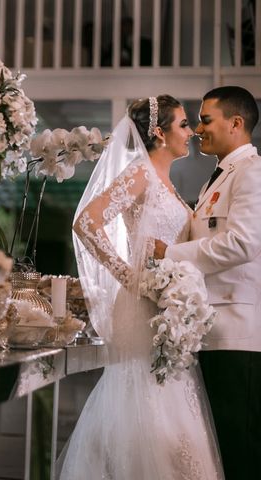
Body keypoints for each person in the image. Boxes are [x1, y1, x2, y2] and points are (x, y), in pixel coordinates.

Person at [57, 95, 224, 479]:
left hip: (168, 307)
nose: (191, 133)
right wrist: (130, 276)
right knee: (141, 399)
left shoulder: (165, 181)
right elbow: (87, 223)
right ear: (160, 133)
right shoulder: (139, 174)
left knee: (168, 399)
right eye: (183, 124)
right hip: (141, 304)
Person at [154, 85, 260, 479]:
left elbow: (242, 244)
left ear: (236, 123)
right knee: (222, 454)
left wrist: (169, 255)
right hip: (210, 331)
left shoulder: (252, 172)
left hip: (237, 334)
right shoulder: (215, 180)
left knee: (239, 451)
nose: (198, 129)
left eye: (205, 119)